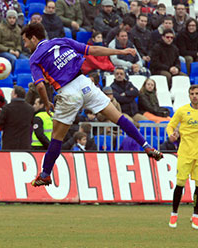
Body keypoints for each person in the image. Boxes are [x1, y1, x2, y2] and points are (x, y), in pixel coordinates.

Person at [21, 23, 163, 187]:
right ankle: (146, 146)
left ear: (33, 38)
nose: (25, 45)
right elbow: (93, 51)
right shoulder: (62, 41)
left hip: (67, 92)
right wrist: (120, 52)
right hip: (85, 84)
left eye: (25, 41)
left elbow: (39, 85)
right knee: (119, 117)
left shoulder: (35, 58)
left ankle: (45, 174)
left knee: (56, 137)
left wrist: (46, 104)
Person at [167, 85, 198, 229]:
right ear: (188, 95)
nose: (194, 96)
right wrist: (171, 135)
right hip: (185, 153)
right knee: (180, 184)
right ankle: (174, 214)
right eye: (192, 94)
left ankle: (196, 215)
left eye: (197, 93)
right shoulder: (183, 111)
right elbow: (170, 126)